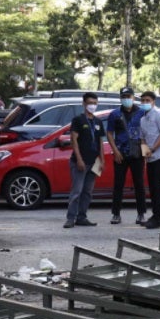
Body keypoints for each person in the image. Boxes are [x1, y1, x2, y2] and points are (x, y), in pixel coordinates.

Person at [64, 92, 105, 228]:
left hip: (94, 162)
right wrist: (79, 159)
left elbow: (100, 142)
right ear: (84, 104)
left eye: (94, 103)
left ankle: (82, 217)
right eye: (89, 103)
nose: (92, 106)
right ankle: (70, 218)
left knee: (88, 192)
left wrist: (102, 160)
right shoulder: (78, 120)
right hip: (80, 162)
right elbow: (73, 140)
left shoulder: (98, 122)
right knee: (77, 191)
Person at [106, 87, 147, 225]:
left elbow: (146, 132)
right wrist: (115, 151)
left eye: (129, 96)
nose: (126, 99)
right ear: (120, 98)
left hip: (137, 154)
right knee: (118, 185)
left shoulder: (142, 113)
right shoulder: (115, 114)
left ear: (133, 98)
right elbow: (110, 133)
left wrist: (145, 152)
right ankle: (116, 214)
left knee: (139, 184)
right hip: (120, 154)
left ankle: (141, 214)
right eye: (124, 96)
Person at [139, 90, 160, 229]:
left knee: (158, 187)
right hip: (150, 157)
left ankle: (159, 218)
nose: (145, 103)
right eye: (143, 100)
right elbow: (143, 137)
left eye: (148, 100)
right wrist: (145, 151)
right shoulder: (143, 119)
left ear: (153, 101)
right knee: (152, 188)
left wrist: (153, 149)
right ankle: (154, 215)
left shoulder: (159, 114)